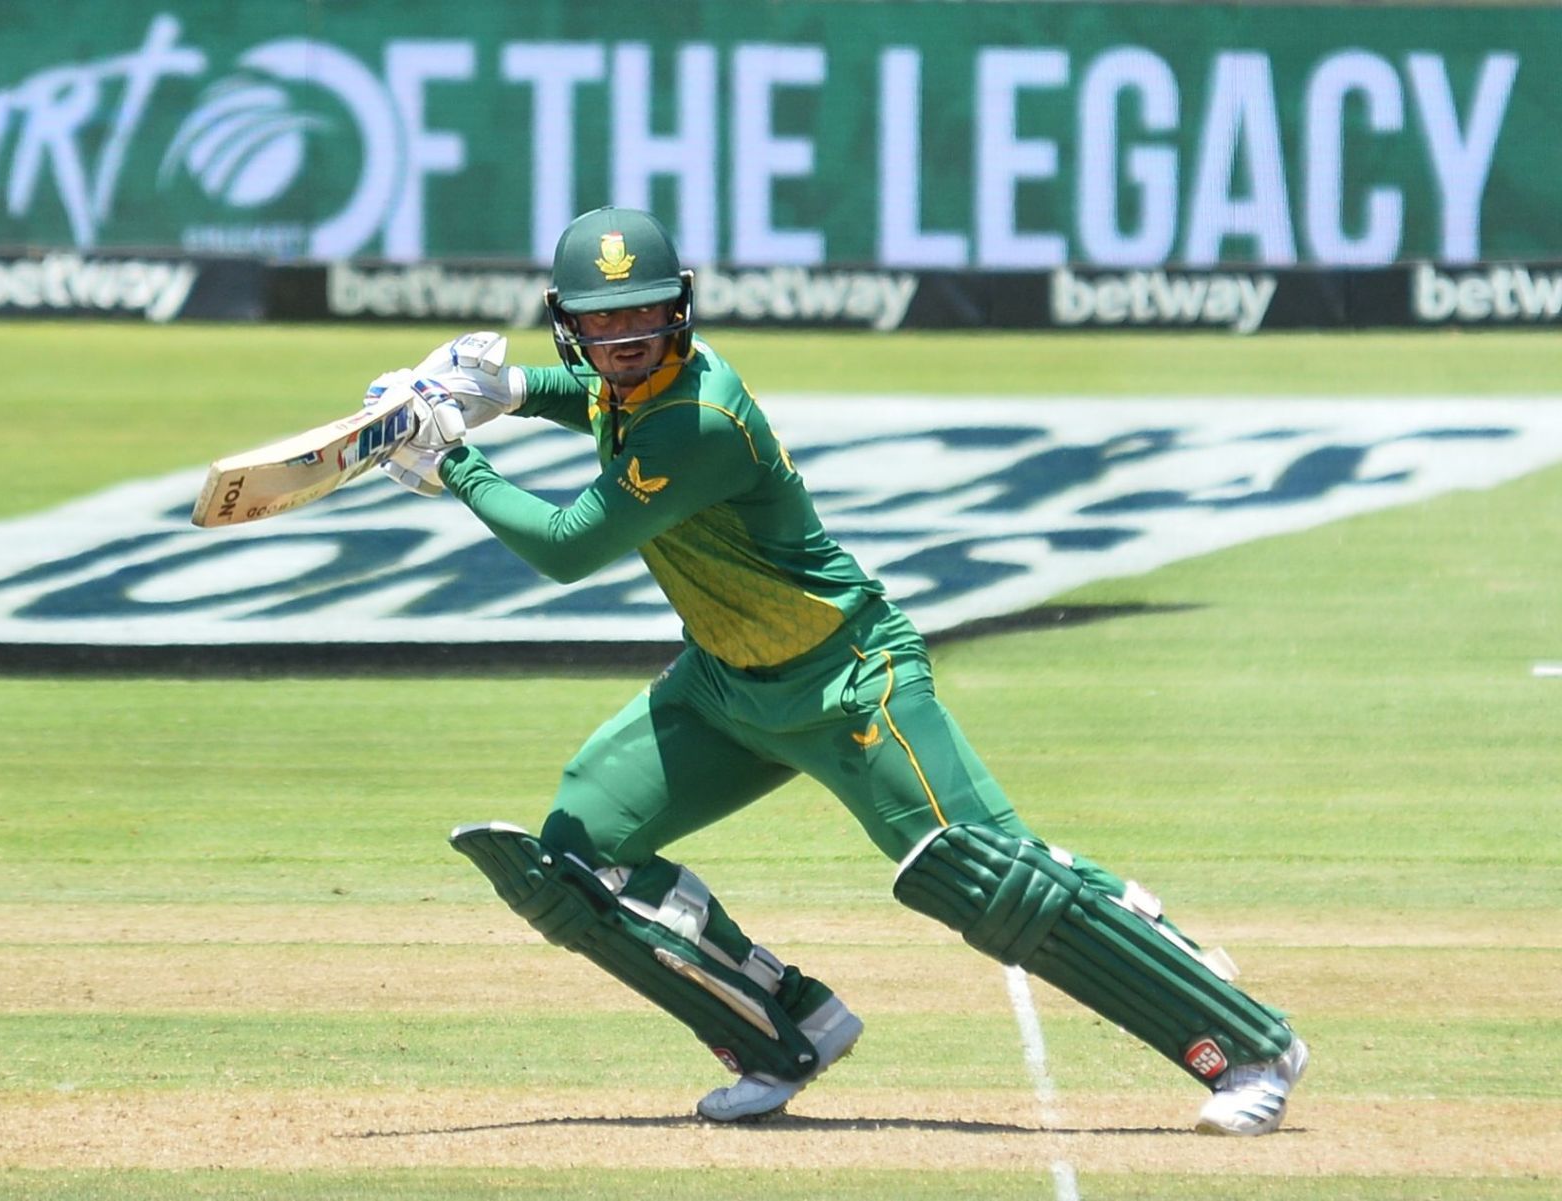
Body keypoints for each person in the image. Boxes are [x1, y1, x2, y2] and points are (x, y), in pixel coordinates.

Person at [364, 205, 1308, 1135]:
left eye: (645, 313)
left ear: (680, 307)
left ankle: (1247, 1042)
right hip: (727, 689)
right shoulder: (633, 389)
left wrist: (455, 459)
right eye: (602, 320)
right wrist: (508, 387)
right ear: (567, 319)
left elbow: (569, 546)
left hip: (852, 680)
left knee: (989, 879)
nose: (626, 338)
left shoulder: (698, 416)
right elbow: (604, 403)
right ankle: (783, 1034)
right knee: (577, 853)